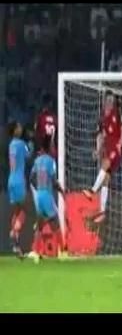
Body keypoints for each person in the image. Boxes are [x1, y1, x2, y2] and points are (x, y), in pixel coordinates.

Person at [83, 91, 122, 225]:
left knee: (105, 165)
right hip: (107, 148)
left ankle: (92, 191)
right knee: (106, 179)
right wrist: (97, 150)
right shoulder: (102, 117)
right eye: (108, 100)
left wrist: (120, 144)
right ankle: (102, 211)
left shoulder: (117, 113)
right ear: (104, 100)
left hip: (115, 148)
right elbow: (100, 135)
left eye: (112, 100)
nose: (110, 102)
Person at [29, 135, 66, 263]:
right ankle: (62, 252)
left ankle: (36, 252)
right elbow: (54, 181)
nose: (53, 147)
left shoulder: (37, 161)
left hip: (39, 195)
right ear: (49, 147)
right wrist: (62, 191)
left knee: (40, 225)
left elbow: (31, 178)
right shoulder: (51, 161)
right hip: (46, 195)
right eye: (52, 145)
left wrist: (39, 188)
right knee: (56, 223)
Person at [7, 122, 30, 257]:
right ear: (15, 130)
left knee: (16, 212)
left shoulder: (11, 144)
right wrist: (31, 144)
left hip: (11, 179)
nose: (21, 128)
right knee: (24, 211)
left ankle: (15, 245)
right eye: (19, 127)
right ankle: (14, 234)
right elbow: (29, 155)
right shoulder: (21, 144)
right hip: (19, 180)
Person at [35, 92, 57, 158]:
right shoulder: (54, 117)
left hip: (42, 148)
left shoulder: (40, 117)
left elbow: (36, 131)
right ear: (50, 103)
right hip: (52, 149)